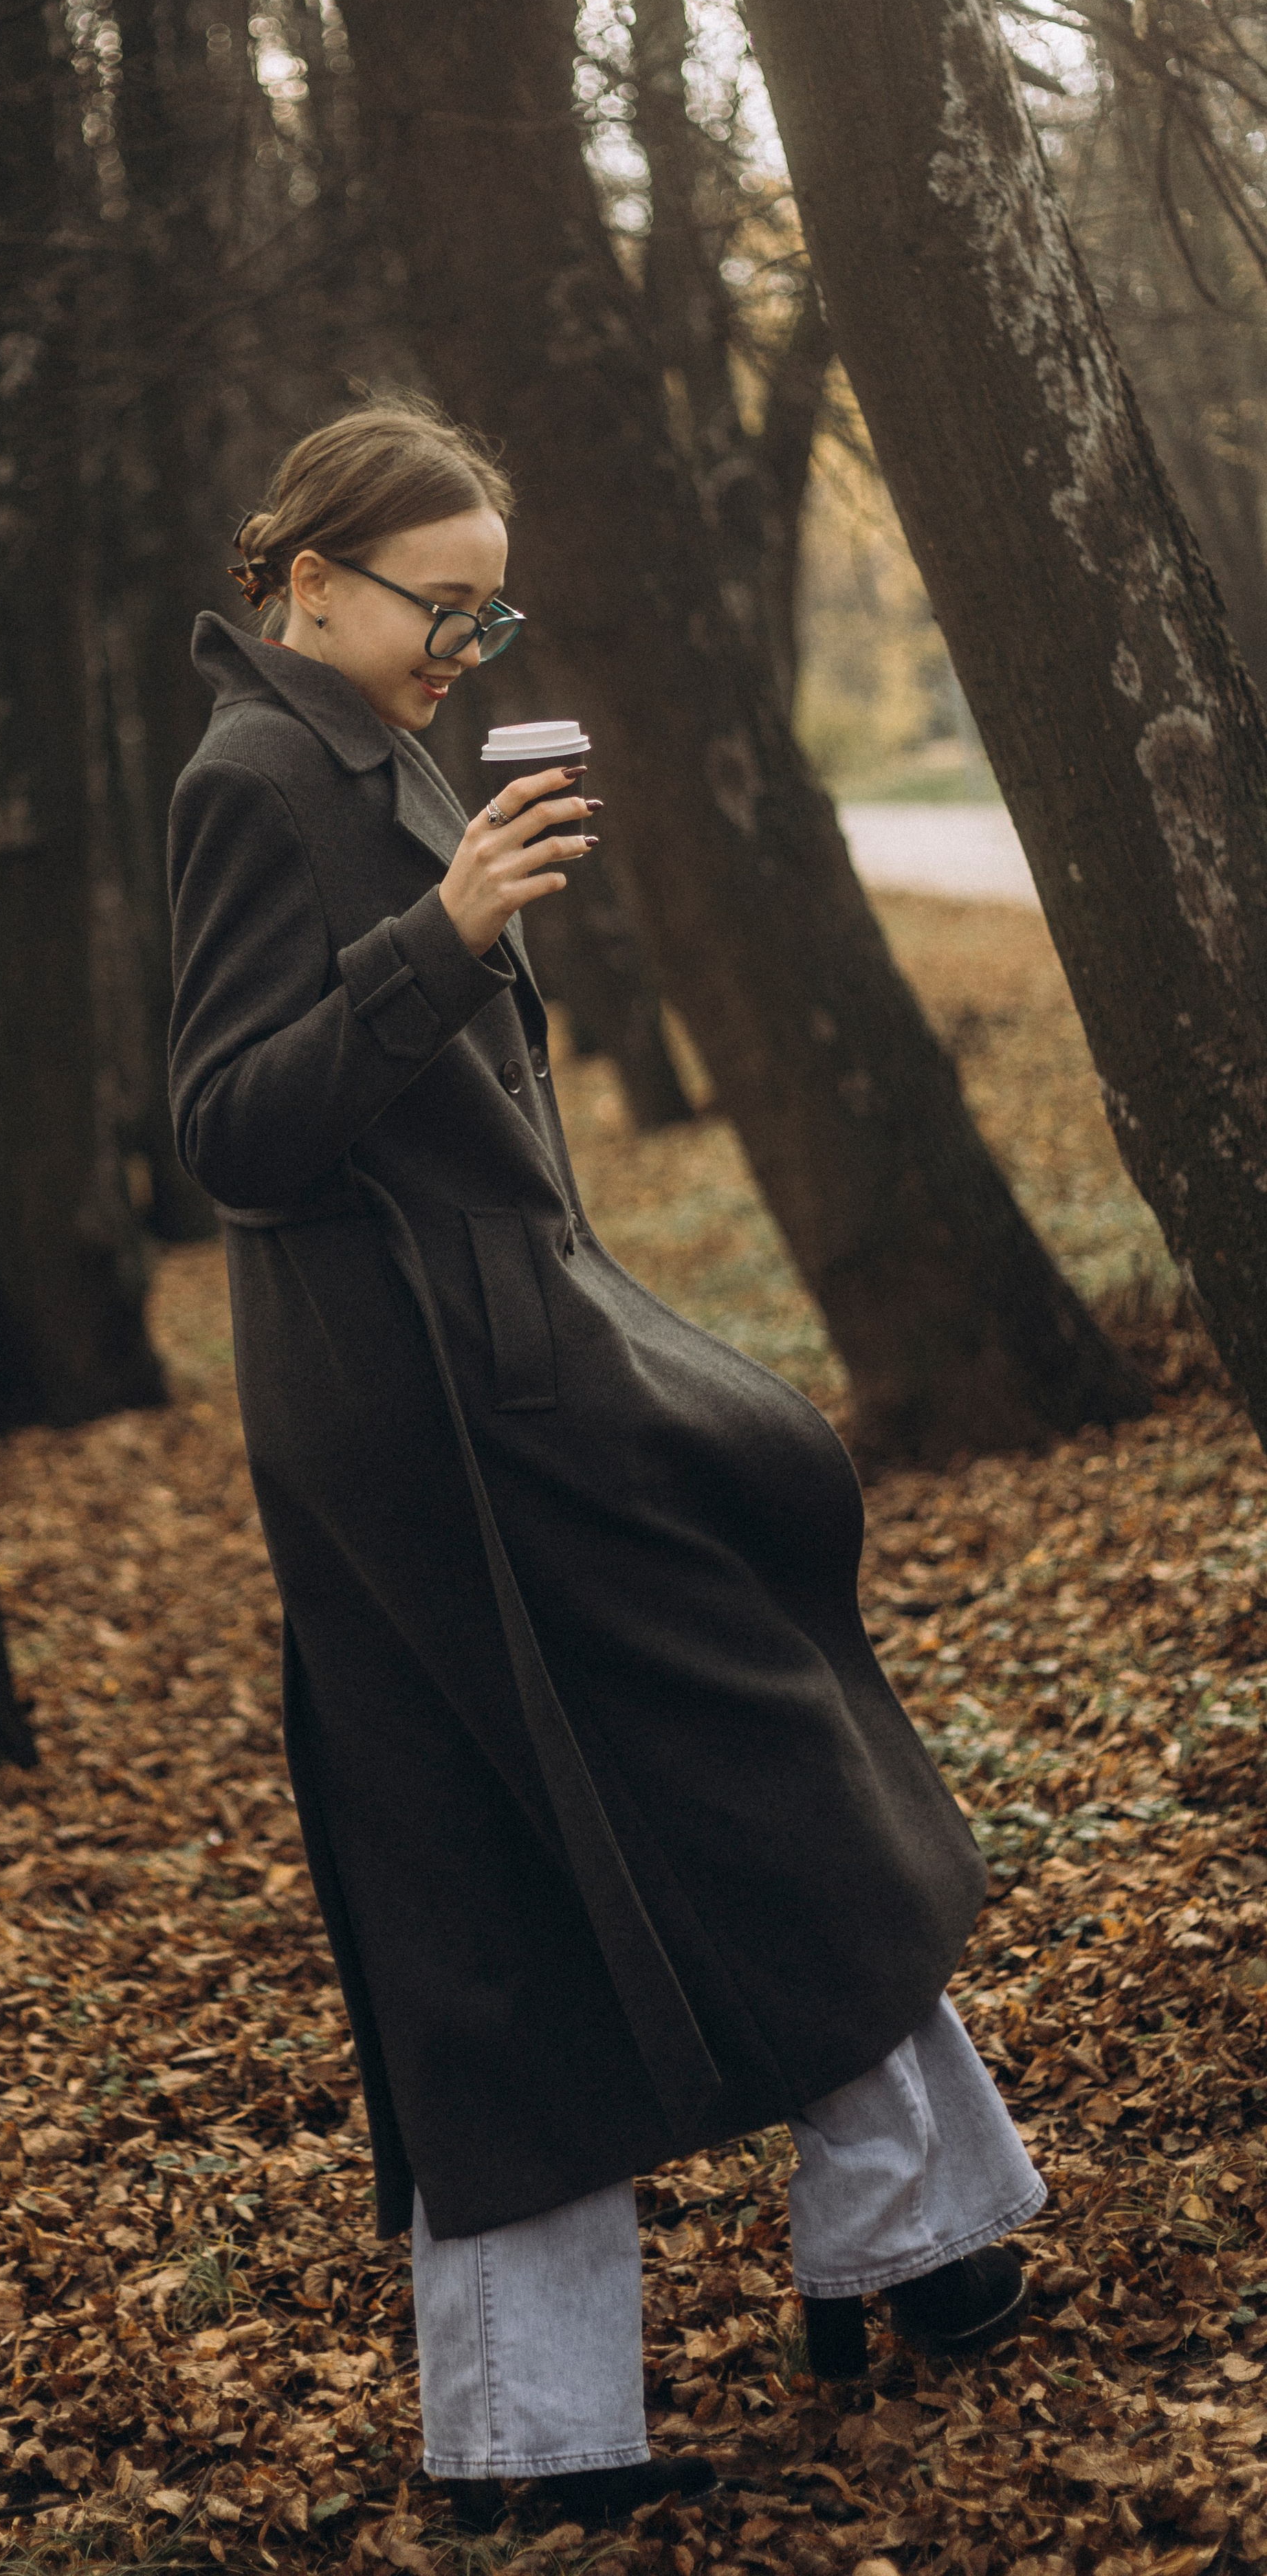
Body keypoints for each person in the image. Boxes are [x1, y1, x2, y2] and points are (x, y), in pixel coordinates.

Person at [166, 400, 1045, 2535]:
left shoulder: (371, 751)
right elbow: (228, 1133)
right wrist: (441, 928)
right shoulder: (254, 775)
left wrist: (462, 903)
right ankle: (568, 2419)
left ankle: (904, 2234)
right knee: (490, 1867)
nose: (465, 644)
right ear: (309, 580)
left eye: (491, 608)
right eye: (435, 606)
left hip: (520, 1368)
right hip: (421, 1424)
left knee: (741, 1752)